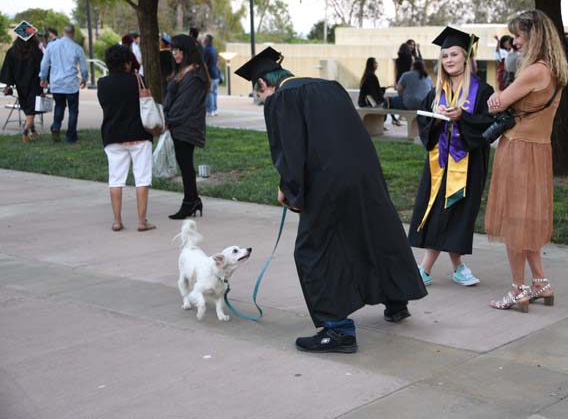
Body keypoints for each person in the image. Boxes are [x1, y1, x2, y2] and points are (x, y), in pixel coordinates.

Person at [234, 46, 427, 353]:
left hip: (328, 183)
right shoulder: (330, 87)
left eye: (260, 96)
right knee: (373, 234)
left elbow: (291, 151)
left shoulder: (281, 99)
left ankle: (337, 330)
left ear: (262, 85)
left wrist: (290, 189)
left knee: (313, 251)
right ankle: (396, 300)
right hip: (365, 174)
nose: (263, 101)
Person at [486, 9, 568, 312]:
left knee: (513, 220)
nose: (516, 41)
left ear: (534, 37)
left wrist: (495, 99)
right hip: (539, 150)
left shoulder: (533, 71)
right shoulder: (557, 69)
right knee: (528, 220)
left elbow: (498, 104)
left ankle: (518, 290)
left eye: (520, 35)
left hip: (519, 149)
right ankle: (541, 283)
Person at [409, 27, 495, 287]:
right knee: (440, 211)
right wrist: (437, 119)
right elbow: (423, 122)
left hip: (468, 163)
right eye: (444, 55)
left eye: (454, 54)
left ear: (466, 57)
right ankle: (448, 268)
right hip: (439, 163)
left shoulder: (483, 90)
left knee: (457, 212)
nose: (448, 60)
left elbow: (490, 124)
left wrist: (463, 117)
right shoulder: (436, 92)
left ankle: (431, 269)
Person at [97, 44, 155, 232]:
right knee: (142, 179)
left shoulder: (102, 83)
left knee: (115, 179)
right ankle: (141, 221)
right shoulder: (139, 80)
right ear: (128, 62)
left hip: (113, 135)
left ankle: (117, 221)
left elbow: (105, 106)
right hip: (139, 134)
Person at [163, 34, 209, 219]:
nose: (174, 53)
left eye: (177, 50)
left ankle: (190, 202)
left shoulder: (194, 74)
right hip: (178, 124)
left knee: (186, 166)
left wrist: (169, 120)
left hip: (185, 126)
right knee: (185, 165)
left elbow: (185, 105)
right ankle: (193, 200)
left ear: (187, 51)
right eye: (172, 50)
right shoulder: (185, 70)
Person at [39, 24, 88, 143]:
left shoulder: (51, 46)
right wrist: (84, 78)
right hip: (71, 84)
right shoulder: (77, 48)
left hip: (56, 83)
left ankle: (56, 127)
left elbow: (44, 63)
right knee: (73, 110)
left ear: (63, 32)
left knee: (59, 106)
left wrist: (43, 77)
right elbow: (84, 67)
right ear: (73, 33)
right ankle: (71, 136)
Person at [0, 29, 44, 142]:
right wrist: (45, 80)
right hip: (34, 84)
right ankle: (25, 132)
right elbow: (42, 68)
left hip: (21, 85)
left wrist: (8, 85)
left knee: (28, 109)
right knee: (32, 110)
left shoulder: (12, 51)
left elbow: (7, 70)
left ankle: (33, 131)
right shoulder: (36, 51)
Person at [202, 34, 221, 116]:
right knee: (214, 93)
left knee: (210, 92)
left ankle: (210, 110)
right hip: (216, 74)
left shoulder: (206, 50)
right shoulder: (214, 49)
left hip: (210, 74)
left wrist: (204, 74)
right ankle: (215, 109)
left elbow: (204, 64)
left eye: (204, 39)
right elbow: (217, 61)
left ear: (206, 40)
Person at [159, 33, 175, 100]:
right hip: (171, 77)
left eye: (161, 41)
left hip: (162, 78)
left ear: (163, 43)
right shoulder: (172, 54)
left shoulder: (160, 54)